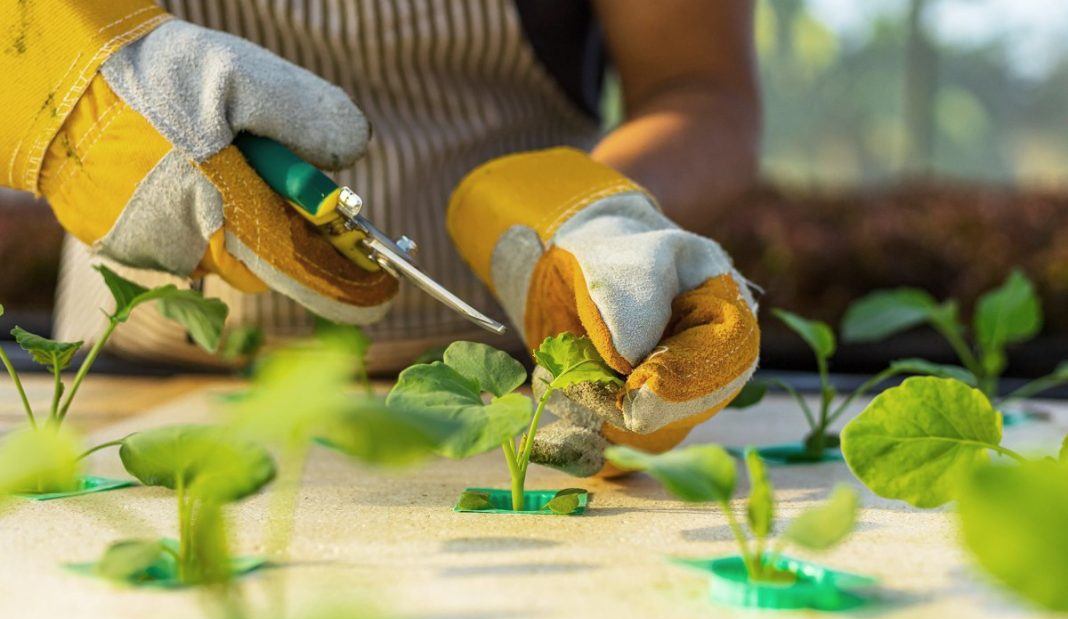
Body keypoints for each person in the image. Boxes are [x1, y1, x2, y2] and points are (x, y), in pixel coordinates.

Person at [0, 0, 760, 476]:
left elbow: (700, 87)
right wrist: (63, 81)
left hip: (505, 390)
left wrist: (592, 207)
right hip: (143, 370)